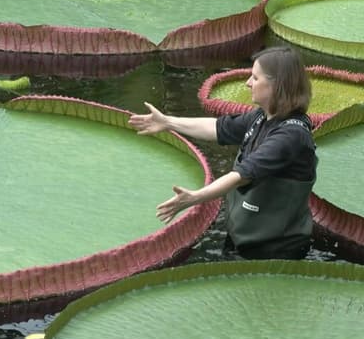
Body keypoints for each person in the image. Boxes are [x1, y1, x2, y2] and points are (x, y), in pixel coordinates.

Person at [128, 46, 317, 260]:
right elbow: (217, 128)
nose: (248, 83)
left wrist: (195, 197)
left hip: (275, 249)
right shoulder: (262, 116)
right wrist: (167, 122)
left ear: (276, 85)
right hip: (249, 233)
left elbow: (242, 175)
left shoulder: (291, 136)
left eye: (255, 77)